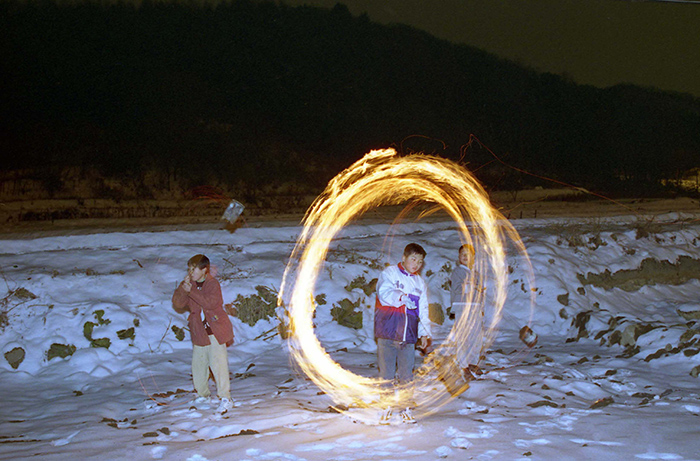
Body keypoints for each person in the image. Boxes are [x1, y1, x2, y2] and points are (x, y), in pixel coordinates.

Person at [374, 243, 431, 424]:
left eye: (420, 262)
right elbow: (383, 292)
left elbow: (423, 311)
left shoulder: (419, 283)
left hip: (408, 336)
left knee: (407, 375)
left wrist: (424, 333)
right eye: (413, 259)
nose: (416, 264)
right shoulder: (389, 273)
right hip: (388, 332)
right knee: (387, 374)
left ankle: (406, 407)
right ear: (404, 258)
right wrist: (400, 297)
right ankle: (386, 407)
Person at [172, 254, 234, 413]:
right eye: (189, 269)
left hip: (215, 330)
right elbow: (178, 303)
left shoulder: (212, 284)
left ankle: (225, 398)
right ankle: (203, 395)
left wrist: (191, 291)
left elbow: (210, 303)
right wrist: (182, 288)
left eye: (194, 269)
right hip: (199, 331)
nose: (190, 272)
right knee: (198, 365)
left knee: (218, 364)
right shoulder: (189, 285)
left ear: (204, 270)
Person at [448, 244, 484, 380]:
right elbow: (457, 288)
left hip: (475, 307)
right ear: (459, 257)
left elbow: (480, 292)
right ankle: (463, 365)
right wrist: (468, 285)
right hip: (462, 306)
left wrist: (481, 307)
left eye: (468, 255)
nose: (465, 257)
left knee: (476, 336)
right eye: (462, 254)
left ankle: (473, 362)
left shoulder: (476, 274)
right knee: (464, 336)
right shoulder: (457, 272)